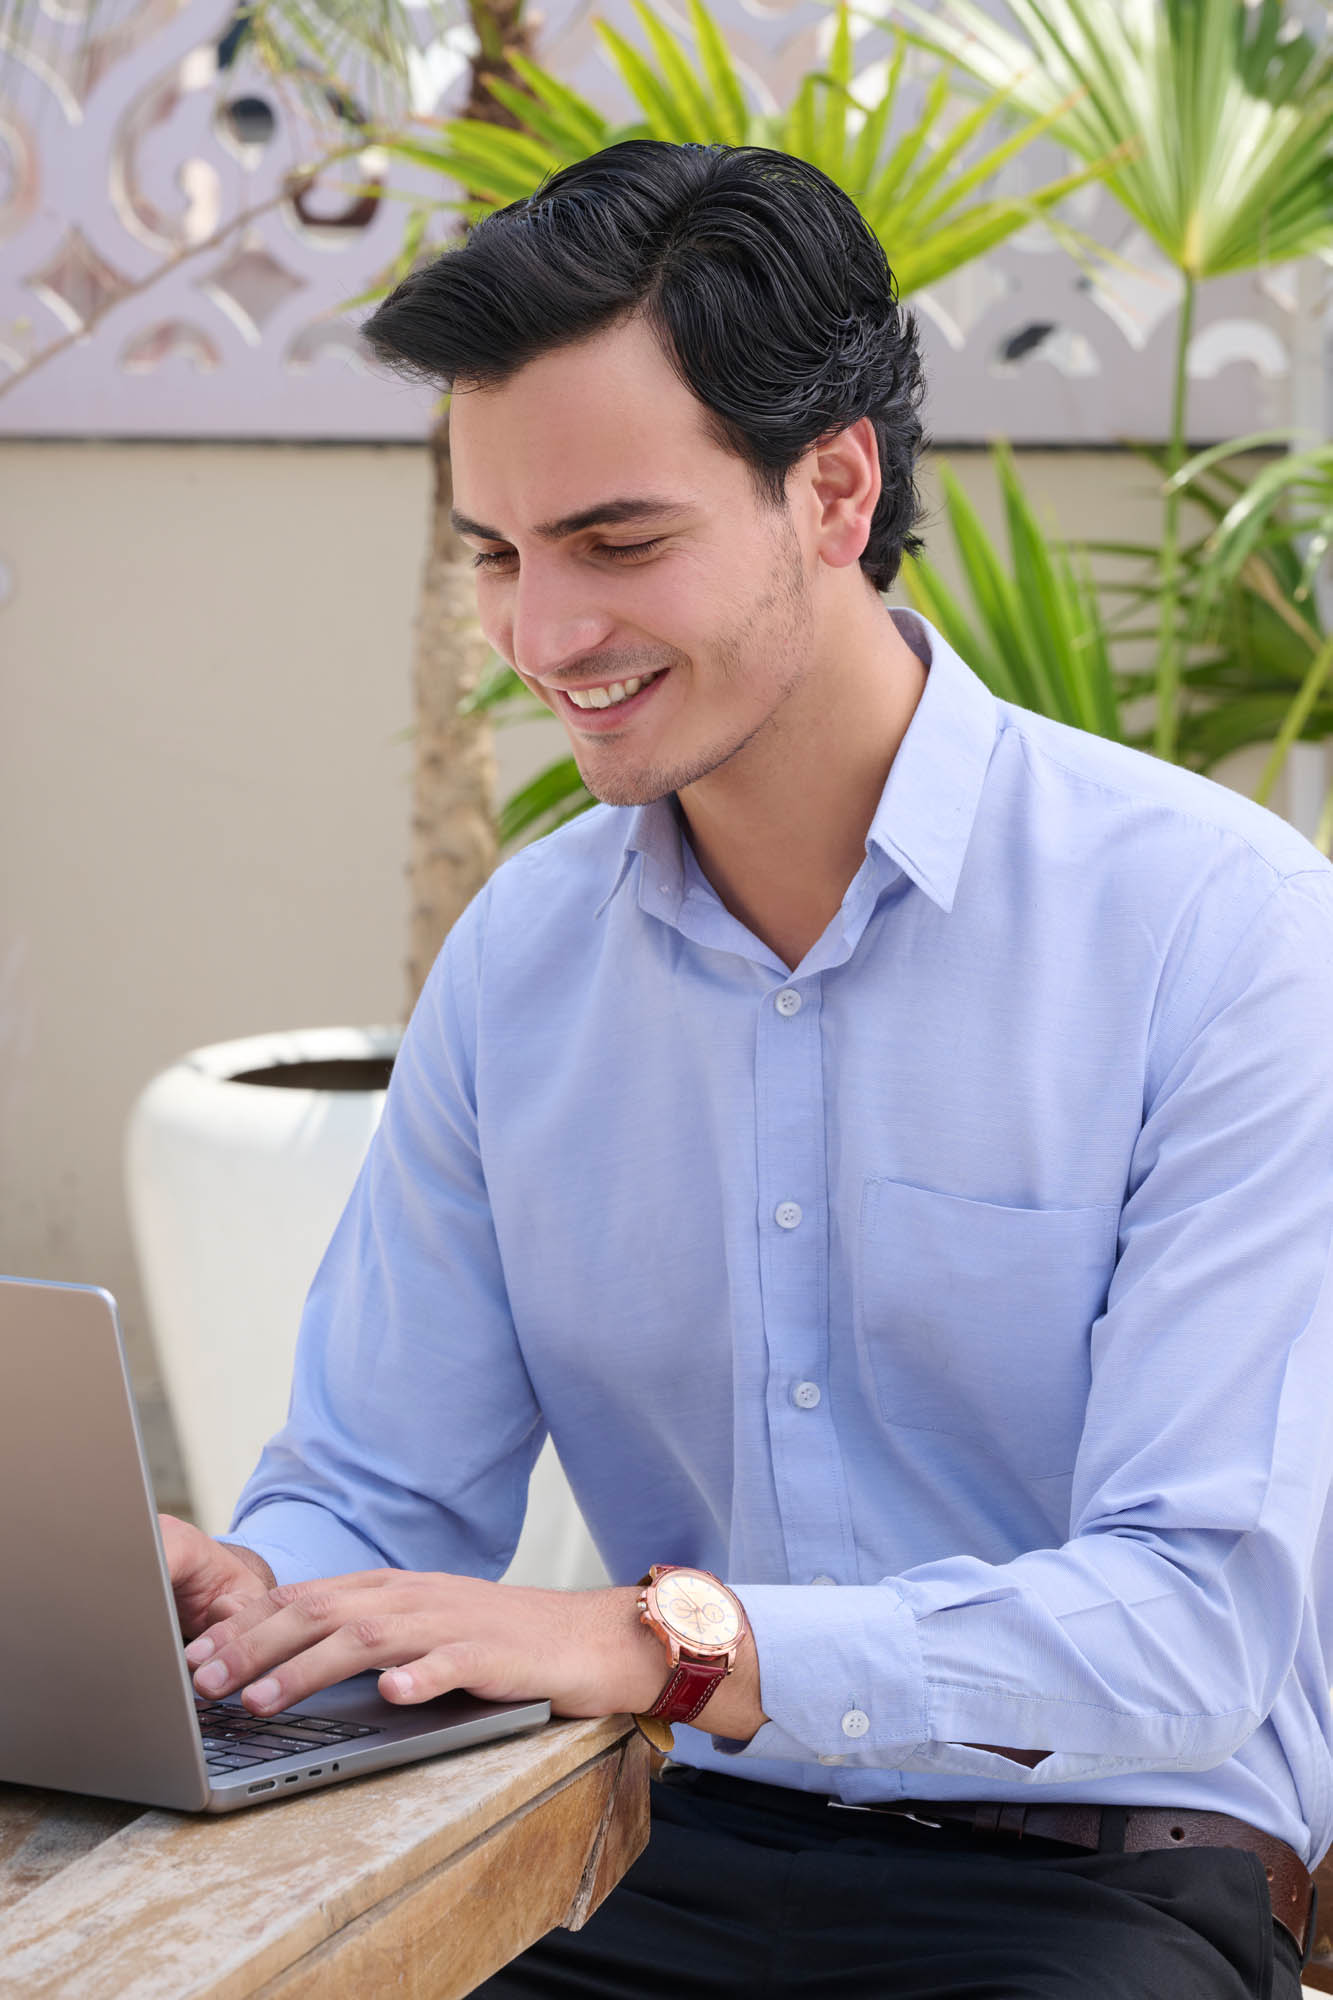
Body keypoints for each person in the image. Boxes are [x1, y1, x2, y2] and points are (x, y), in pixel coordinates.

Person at [159, 142, 1333, 1997]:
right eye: (498, 556)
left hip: (1097, 1881)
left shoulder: (1225, 934)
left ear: (835, 489)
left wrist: (669, 1644)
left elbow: (1194, 1627)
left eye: (618, 544)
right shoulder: (524, 963)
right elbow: (380, 1493)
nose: (543, 639)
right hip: (636, 1848)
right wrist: (253, 1614)